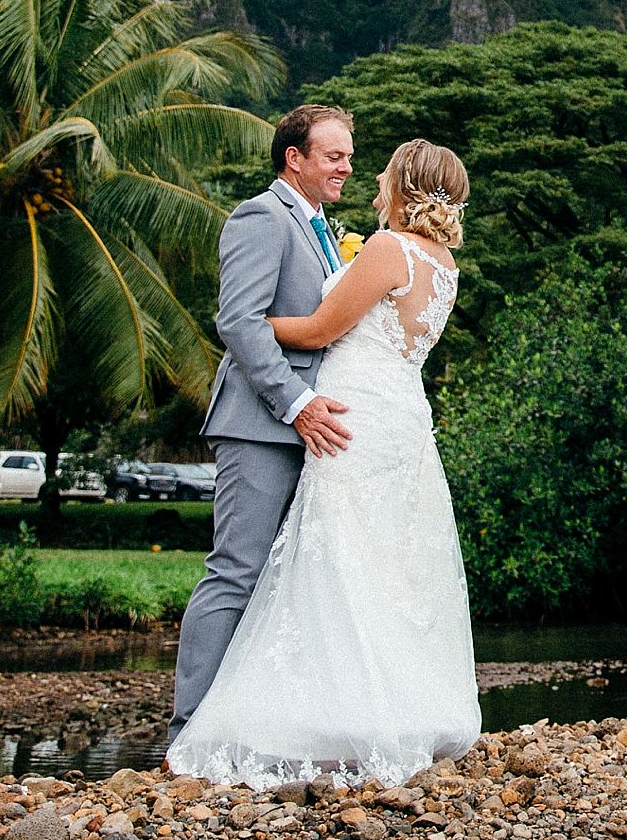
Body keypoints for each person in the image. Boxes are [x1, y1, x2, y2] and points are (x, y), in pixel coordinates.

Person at [168, 138, 484, 786]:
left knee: (338, 563)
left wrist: (251, 321)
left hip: (353, 419)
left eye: (382, 169)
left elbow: (316, 330)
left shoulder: (388, 248)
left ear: (406, 184)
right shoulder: (445, 261)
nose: (369, 173)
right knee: (383, 569)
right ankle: (377, 714)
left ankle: (324, 721)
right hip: (402, 419)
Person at [172, 102, 360, 742]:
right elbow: (240, 322)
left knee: (288, 576)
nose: (346, 167)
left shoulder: (319, 226)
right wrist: (297, 402)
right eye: (334, 156)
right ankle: (188, 730)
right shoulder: (261, 215)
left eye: (348, 156)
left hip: (310, 432)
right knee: (237, 570)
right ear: (296, 159)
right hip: (261, 423)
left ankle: (252, 726)